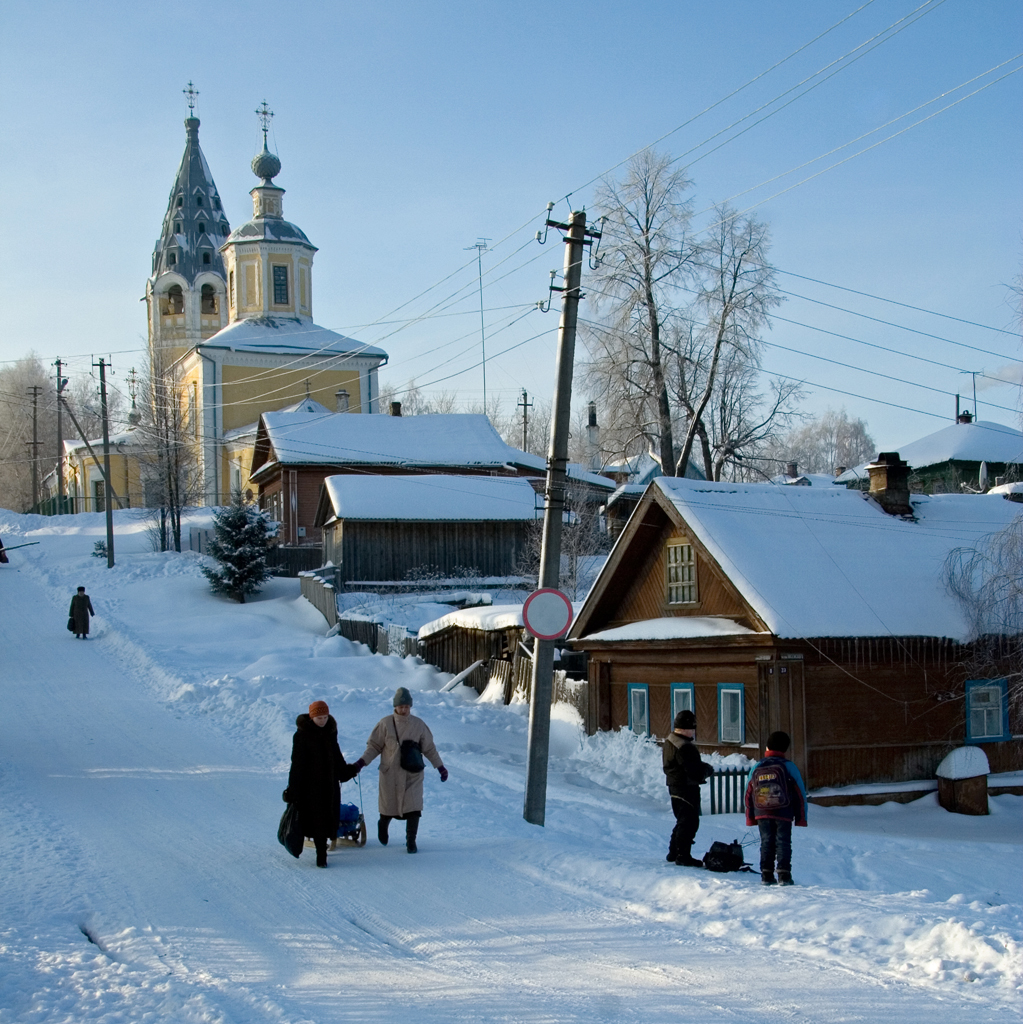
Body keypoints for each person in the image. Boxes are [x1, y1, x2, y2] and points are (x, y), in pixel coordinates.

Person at [352, 687, 447, 854]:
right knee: (389, 806)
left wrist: (440, 767)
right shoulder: (385, 723)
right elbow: (374, 746)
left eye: (407, 707)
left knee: (414, 807)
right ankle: (383, 825)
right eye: (401, 706)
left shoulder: (418, 725)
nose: (404, 710)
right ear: (395, 706)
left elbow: (429, 749)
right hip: (390, 773)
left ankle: (411, 840)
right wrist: (361, 763)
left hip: (413, 773)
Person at [285, 700, 360, 868]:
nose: (322, 721)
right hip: (309, 787)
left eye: (325, 717)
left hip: (329, 786)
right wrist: (293, 789)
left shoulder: (330, 732)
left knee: (327, 819)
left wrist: (346, 771)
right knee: (316, 820)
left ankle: (322, 851)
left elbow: (336, 756)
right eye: (319, 718)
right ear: (312, 717)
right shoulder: (302, 735)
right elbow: (296, 765)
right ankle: (320, 854)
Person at [744, 730, 808, 886]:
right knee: (783, 842)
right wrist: (801, 818)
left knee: (766, 841)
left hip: (762, 812)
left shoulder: (757, 766)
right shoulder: (789, 767)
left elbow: (748, 793)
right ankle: (784, 875)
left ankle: (766, 874)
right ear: (785, 749)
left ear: (767, 747)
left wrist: (750, 817)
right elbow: (800, 793)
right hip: (783, 811)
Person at [662, 709, 714, 867]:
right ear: (687, 728)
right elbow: (694, 770)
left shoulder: (670, 741)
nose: (694, 732)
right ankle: (683, 855)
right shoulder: (685, 747)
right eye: (693, 728)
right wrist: (706, 770)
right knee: (689, 821)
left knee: (681, 820)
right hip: (686, 787)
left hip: (674, 785)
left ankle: (674, 851)